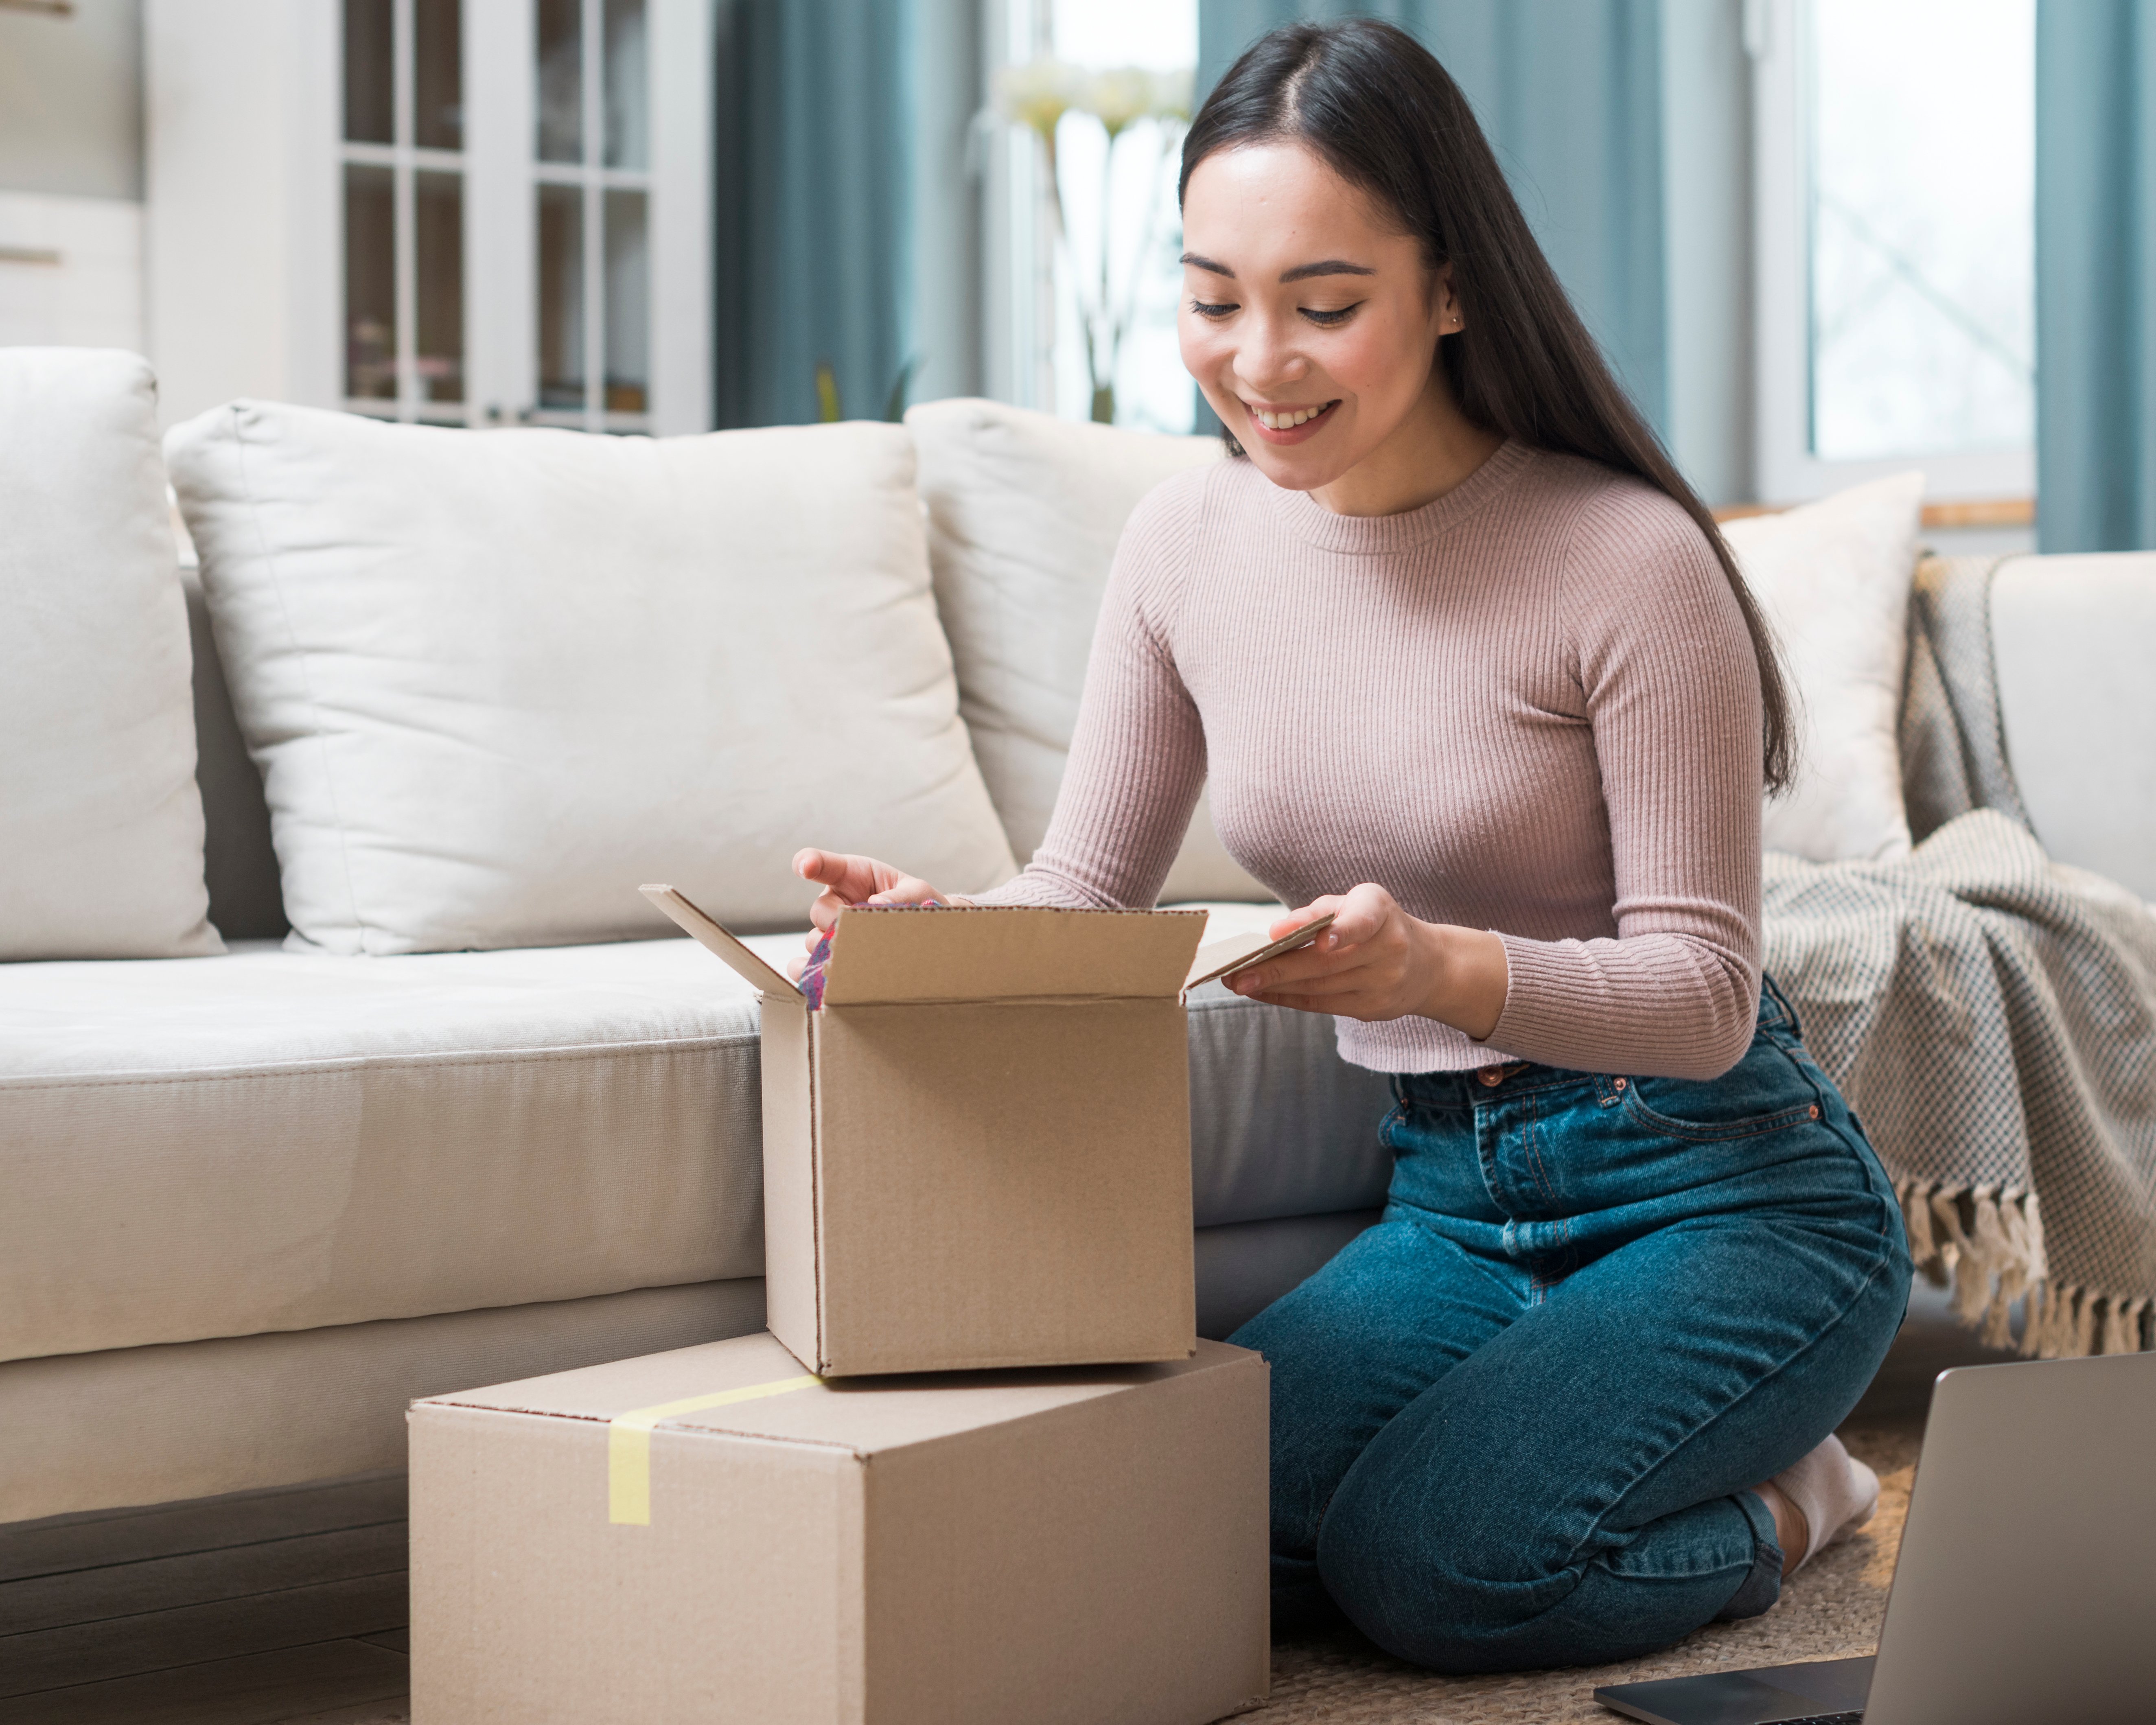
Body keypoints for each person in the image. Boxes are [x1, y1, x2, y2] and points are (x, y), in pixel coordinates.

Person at [791, 17, 1909, 1674]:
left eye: (1322, 306)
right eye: (1210, 298)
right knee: (1193, 1529)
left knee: (1438, 1571)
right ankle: (1589, 1429)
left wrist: (1431, 970)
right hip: (1449, 1200)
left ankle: (1795, 1498)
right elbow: (1082, 892)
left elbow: (1696, 995)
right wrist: (938, 929)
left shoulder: (1622, 558)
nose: (1257, 362)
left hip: (1716, 1190)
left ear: (1449, 288)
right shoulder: (1181, 540)